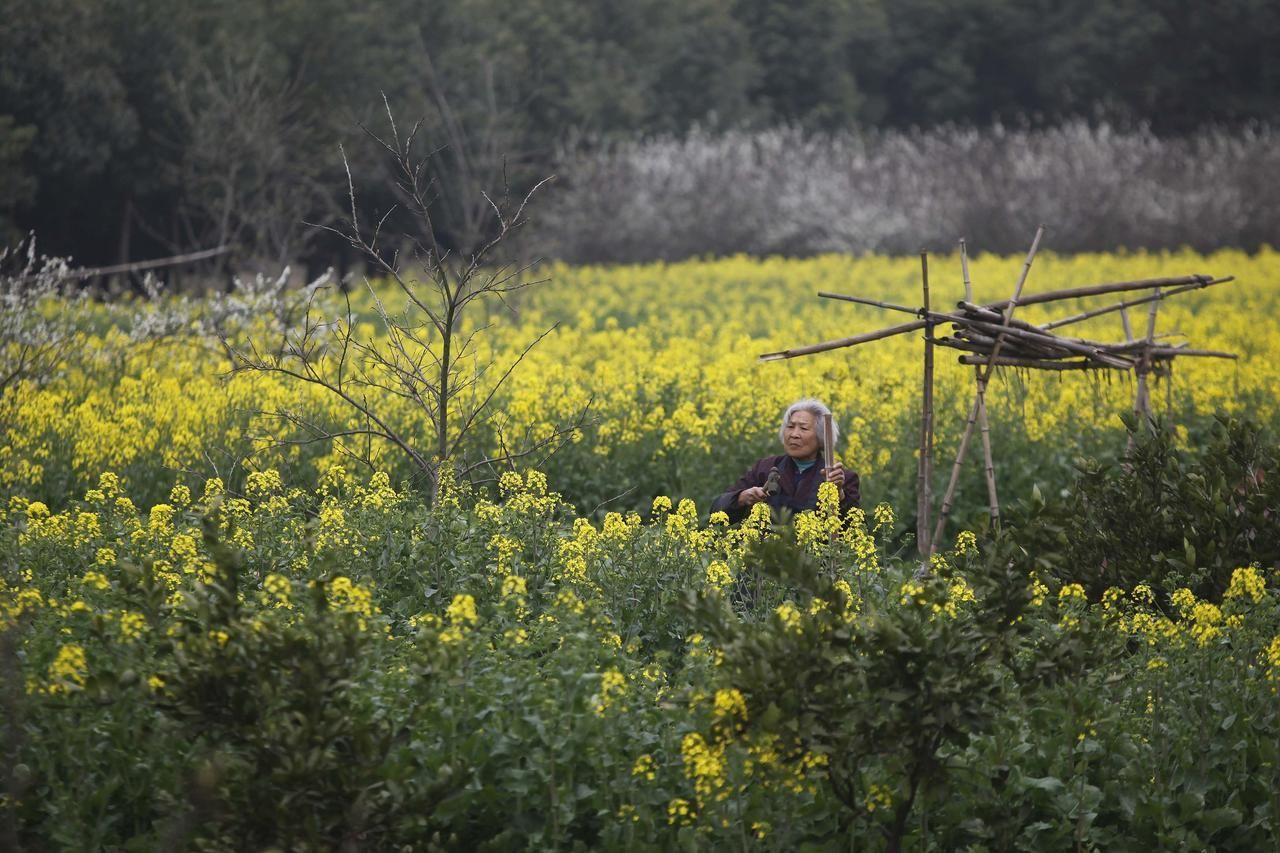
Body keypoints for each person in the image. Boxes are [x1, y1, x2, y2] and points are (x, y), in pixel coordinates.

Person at [711, 398, 861, 523]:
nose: (794, 434)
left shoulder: (839, 477)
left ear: (821, 437)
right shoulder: (765, 468)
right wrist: (742, 498)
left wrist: (839, 494)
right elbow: (717, 510)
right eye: (790, 427)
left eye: (803, 428)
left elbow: (855, 526)